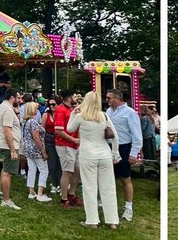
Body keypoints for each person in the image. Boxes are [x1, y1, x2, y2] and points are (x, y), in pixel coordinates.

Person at [68, 89, 120, 229]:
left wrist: (73, 113)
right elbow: (115, 137)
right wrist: (115, 153)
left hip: (87, 155)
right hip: (105, 154)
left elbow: (70, 128)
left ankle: (92, 221)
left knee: (89, 188)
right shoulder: (104, 116)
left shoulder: (80, 117)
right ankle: (112, 221)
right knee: (108, 188)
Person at [106, 88, 143, 223]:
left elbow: (137, 135)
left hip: (124, 147)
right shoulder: (108, 111)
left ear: (117, 98)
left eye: (109, 98)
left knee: (125, 178)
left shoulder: (130, 113)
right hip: (109, 147)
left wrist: (133, 154)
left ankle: (128, 208)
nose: (107, 100)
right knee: (108, 176)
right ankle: (107, 203)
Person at [0, 87, 23, 210]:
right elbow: (7, 131)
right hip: (9, 145)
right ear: (12, 98)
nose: (19, 100)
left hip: (5, 144)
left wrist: (17, 112)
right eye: (18, 98)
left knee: (5, 169)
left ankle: (1, 191)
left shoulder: (3, 106)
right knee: (8, 173)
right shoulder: (8, 110)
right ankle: (6, 200)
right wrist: (13, 150)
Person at [53, 91, 81, 208]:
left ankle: (72, 194)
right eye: (74, 96)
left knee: (77, 170)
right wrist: (73, 139)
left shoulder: (72, 109)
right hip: (64, 145)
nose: (76, 98)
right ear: (69, 98)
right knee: (67, 171)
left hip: (75, 144)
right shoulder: (61, 110)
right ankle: (64, 199)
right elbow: (58, 130)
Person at [22, 99, 51, 202]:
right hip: (36, 149)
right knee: (44, 169)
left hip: (28, 149)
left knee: (32, 169)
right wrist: (43, 151)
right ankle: (40, 193)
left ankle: (31, 192)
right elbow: (36, 138)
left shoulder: (26, 121)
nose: (37, 110)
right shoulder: (33, 122)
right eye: (35, 108)